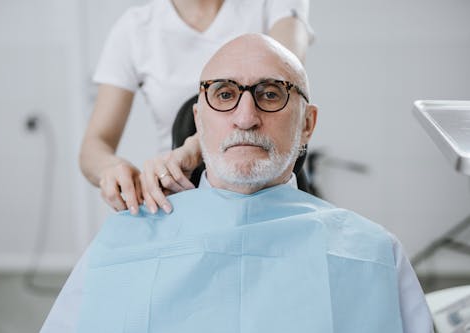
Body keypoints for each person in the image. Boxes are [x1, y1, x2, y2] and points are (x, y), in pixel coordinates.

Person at [41, 34, 433, 332]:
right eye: (225, 94)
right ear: (198, 121)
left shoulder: (374, 252)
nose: (246, 117)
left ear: (307, 124)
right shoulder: (124, 239)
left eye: (270, 94)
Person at [79, 0, 314, 215]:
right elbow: (95, 145)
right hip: (178, 187)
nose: (244, 118)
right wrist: (114, 169)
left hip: (267, 181)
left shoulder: (271, 4)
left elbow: (287, 76)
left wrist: (195, 147)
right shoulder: (136, 28)